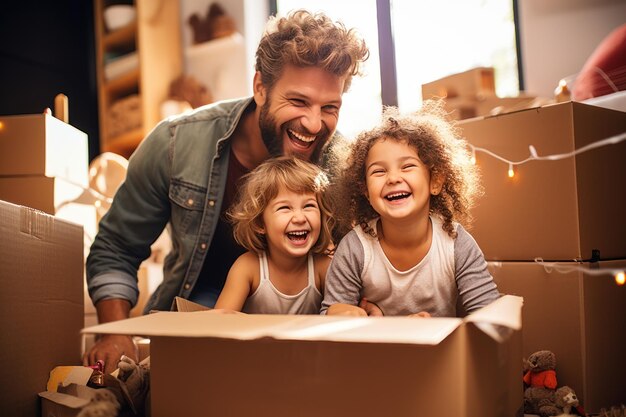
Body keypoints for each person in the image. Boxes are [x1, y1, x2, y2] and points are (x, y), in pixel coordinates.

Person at [84, 9, 369, 372]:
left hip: (301, 344)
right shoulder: (175, 143)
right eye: (298, 101)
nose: (314, 124)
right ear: (260, 88)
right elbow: (116, 248)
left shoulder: (343, 168)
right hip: (198, 324)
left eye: (330, 107)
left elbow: (364, 267)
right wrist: (114, 332)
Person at [321, 102, 500, 317]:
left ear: (435, 181)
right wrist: (342, 314)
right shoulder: (354, 249)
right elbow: (330, 315)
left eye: (407, 166)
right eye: (379, 171)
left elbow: (490, 315)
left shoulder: (456, 244)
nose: (394, 178)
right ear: (365, 191)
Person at [213, 156, 332, 314]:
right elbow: (219, 322)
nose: (300, 218)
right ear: (260, 224)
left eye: (309, 206)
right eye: (285, 208)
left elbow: (343, 312)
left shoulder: (323, 267)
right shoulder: (248, 268)